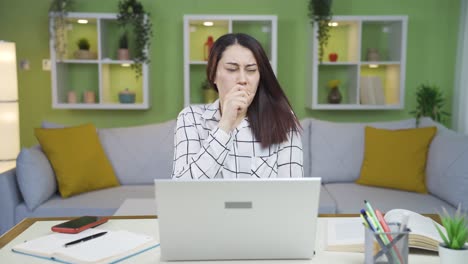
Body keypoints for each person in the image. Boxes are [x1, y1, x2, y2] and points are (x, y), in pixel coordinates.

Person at [172, 33, 303, 179]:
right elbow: (181, 188)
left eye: (251, 70)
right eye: (232, 69)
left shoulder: (282, 119)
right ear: (213, 74)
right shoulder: (190, 118)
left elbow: (292, 194)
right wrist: (225, 125)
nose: (242, 79)